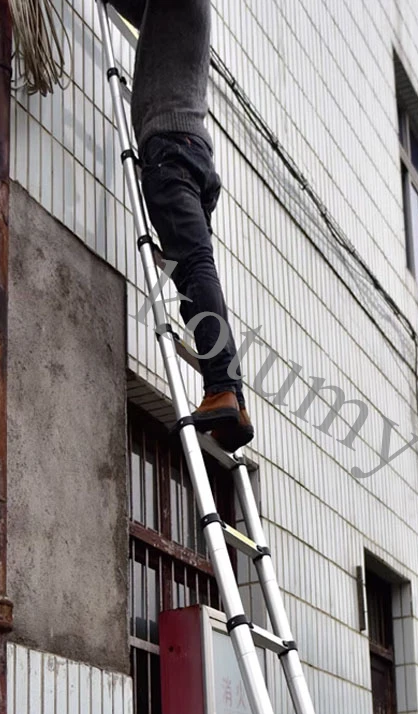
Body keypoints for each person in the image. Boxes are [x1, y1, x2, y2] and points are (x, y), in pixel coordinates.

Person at [108, 0, 254, 452]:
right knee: (192, 275)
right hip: (188, 153)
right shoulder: (176, 11)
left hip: (171, 151)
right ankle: (232, 399)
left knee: (193, 269)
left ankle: (223, 389)